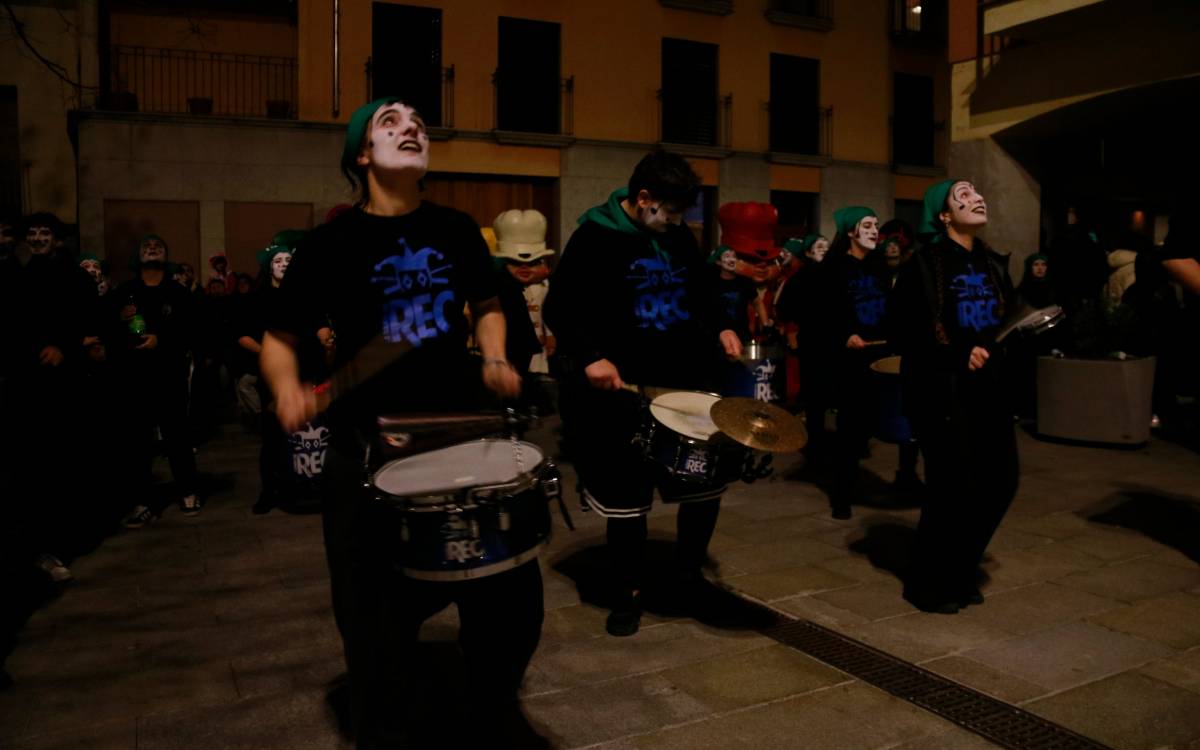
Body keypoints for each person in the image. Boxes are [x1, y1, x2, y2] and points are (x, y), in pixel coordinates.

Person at [260, 97, 543, 749]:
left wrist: (495, 355)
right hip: (367, 448)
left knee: (508, 603)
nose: (411, 128)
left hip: (457, 433)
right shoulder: (328, 245)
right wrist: (286, 389)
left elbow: (487, 304)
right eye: (391, 123)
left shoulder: (455, 228)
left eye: (417, 122)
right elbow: (279, 338)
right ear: (362, 155)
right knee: (372, 625)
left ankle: (490, 712)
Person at [543, 150, 741, 637]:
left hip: (684, 381)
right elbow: (561, 309)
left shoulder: (676, 237)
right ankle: (626, 590)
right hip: (623, 391)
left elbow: (703, 293)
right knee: (627, 495)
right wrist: (590, 356)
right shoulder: (595, 238)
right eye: (670, 211)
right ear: (644, 198)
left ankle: (688, 573)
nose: (676, 222)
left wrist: (721, 328)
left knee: (702, 481)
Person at [891, 179, 1018, 614]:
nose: (975, 198)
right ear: (943, 216)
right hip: (941, 392)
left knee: (1001, 481)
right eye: (961, 197)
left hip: (990, 391)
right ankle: (929, 583)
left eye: (977, 192)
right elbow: (906, 329)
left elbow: (1005, 320)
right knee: (951, 487)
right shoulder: (923, 264)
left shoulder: (992, 262)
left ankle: (960, 565)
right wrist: (959, 352)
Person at [110, 234, 201, 526]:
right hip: (135, 379)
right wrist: (120, 321)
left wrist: (161, 340)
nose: (151, 248)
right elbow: (108, 333)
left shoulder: (178, 293)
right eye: (146, 246)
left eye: (157, 246)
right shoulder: (124, 293)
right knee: (137, 442)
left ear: (165, 256)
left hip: (169, 376)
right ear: (139, 257)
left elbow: (192, 332)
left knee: (177, 436)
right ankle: (141, 502)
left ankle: (188, 490)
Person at [813, 206, 886, 519]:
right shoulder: (833, 270)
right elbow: (822, 315)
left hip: (878, 355)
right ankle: (840, 496)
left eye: (876, 225)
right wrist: (844, 336)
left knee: (867, 429)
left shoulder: (878, 267)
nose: (874, 231)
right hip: (849, 361)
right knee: (849, 430)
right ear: (851, 232)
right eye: (867, 225)